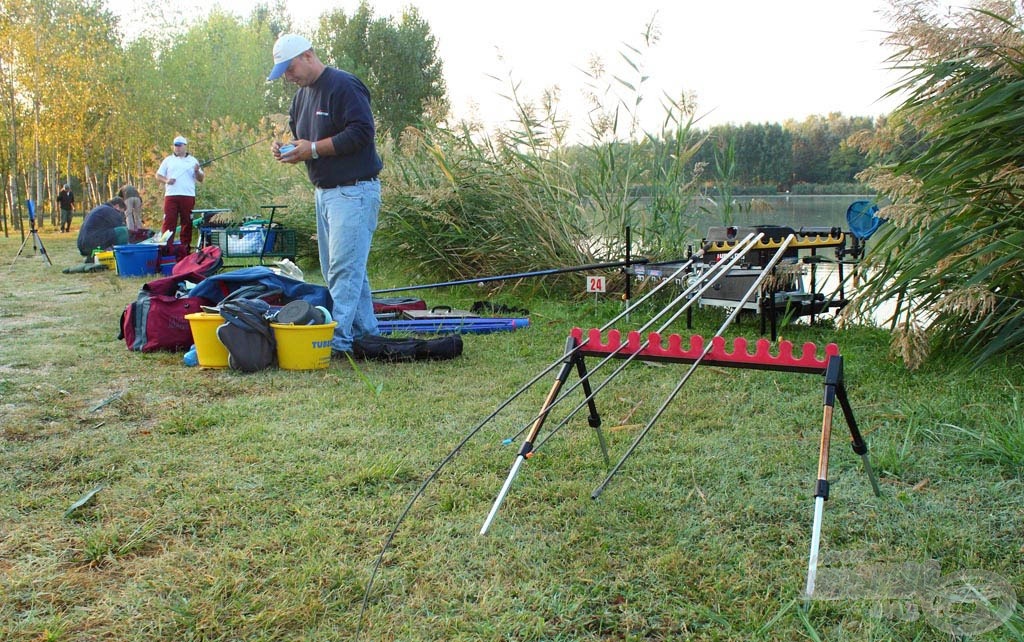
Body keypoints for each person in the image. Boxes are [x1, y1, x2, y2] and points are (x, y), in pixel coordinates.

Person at [268, 33, 383, 356]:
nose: (288, 78)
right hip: (325, 193)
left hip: (354, 191)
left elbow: (362, 133)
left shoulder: (344, 85)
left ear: (307, 55)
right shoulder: (301, 97)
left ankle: (338, 342)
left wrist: (314, 149)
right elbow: (301, 138)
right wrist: (288, 149)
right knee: (342, 268)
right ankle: (366, 334)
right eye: (283, 74)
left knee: (344, 269)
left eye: (289, 69)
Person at [155, 136, 204, 250]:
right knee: (169, 222)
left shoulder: (193, 160)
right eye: (175, 145)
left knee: (187, 222)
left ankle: (184, 248)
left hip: (188, 196)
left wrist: (197, 171)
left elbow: (201, 179)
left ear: (185, 146)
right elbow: (158, 175)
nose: (177, 148)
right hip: (171, 196)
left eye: (179, 145)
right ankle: (166, 248)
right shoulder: (168, 160)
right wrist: (167, 180)